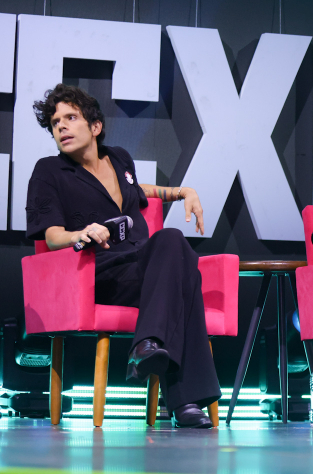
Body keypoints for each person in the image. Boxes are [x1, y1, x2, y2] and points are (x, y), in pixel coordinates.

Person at [26, 84, 218, 428]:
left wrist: (183, 191)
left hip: (142, 265)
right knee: (184, 271)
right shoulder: (49, 171)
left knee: (173, 242)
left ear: (95, 126)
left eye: (71, 118)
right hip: (96, 273)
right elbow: (51, 236)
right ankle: (185, 401)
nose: (62, 127)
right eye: (55, 123)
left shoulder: (118, 158)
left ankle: (146, 346)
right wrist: (80, 234)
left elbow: (136, 190)